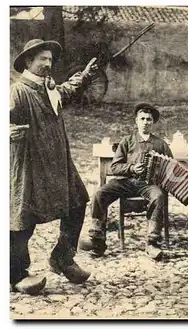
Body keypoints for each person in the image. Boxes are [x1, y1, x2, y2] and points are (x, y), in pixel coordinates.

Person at [10, 39, 98, 294]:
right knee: (22, 220)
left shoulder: (47, 88)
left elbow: (66, 91)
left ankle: (62, 258)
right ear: (28, 62)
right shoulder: (17, 91)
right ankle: (15, 275)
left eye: (50, 59)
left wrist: (85, 76)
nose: (48, 64)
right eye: (42, 59)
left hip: (58, 163)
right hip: (29, 166)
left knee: (77, 202)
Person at [79, 103, 173, 260]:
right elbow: (115, 167)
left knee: (158, 196)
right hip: (125, 182)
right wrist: (132, 168)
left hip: (147, 185)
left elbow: (170, 168)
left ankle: (152, 243)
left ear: (153, 122)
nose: (145, 122)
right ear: (136, 121)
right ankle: (97, 240)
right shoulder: (127, 141)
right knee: (99, 194)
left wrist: (158, 173)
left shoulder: (161, 144)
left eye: (149, 119)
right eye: (142, 119)